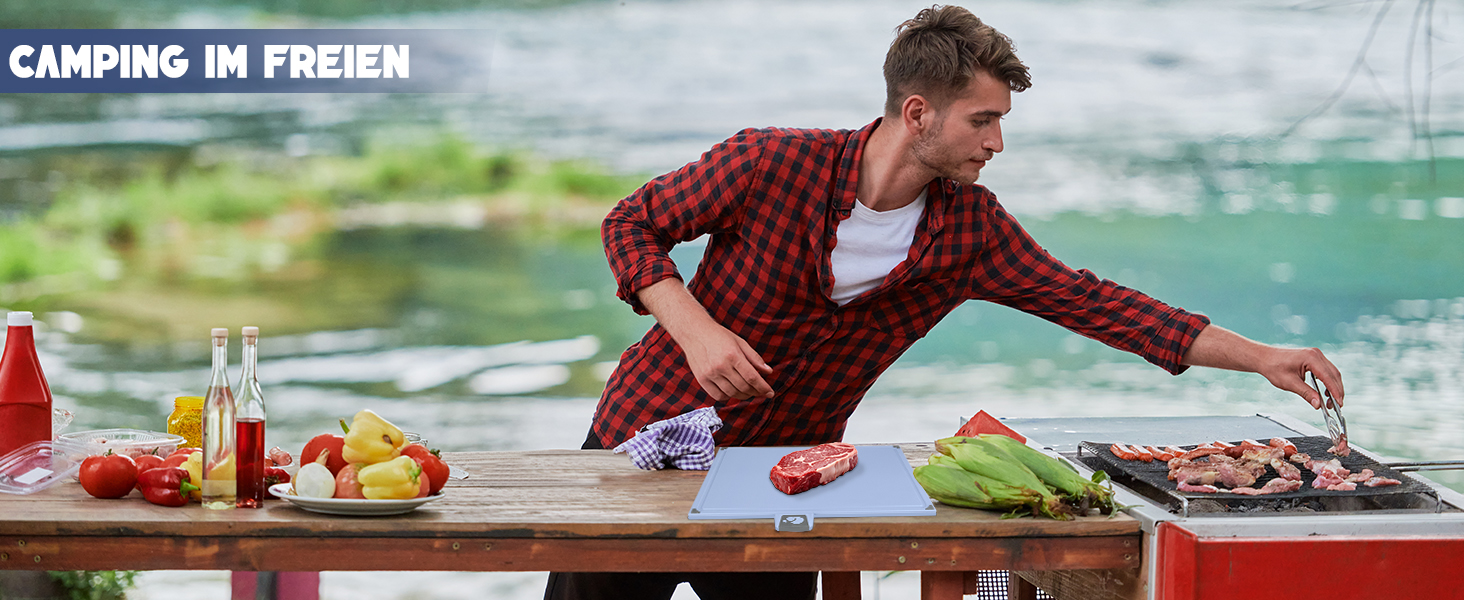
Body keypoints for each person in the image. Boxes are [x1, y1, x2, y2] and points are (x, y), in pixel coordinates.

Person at [545, 5, 1345, 600]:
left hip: (785, 476)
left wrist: (1263, 358)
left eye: (1000, 121)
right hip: (644, 449)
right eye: (984, 119)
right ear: (918, 112)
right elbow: (632, 223)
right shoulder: (771, 162)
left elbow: (1100, 304)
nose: (997, 142)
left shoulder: (971, 233)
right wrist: (697, 333)